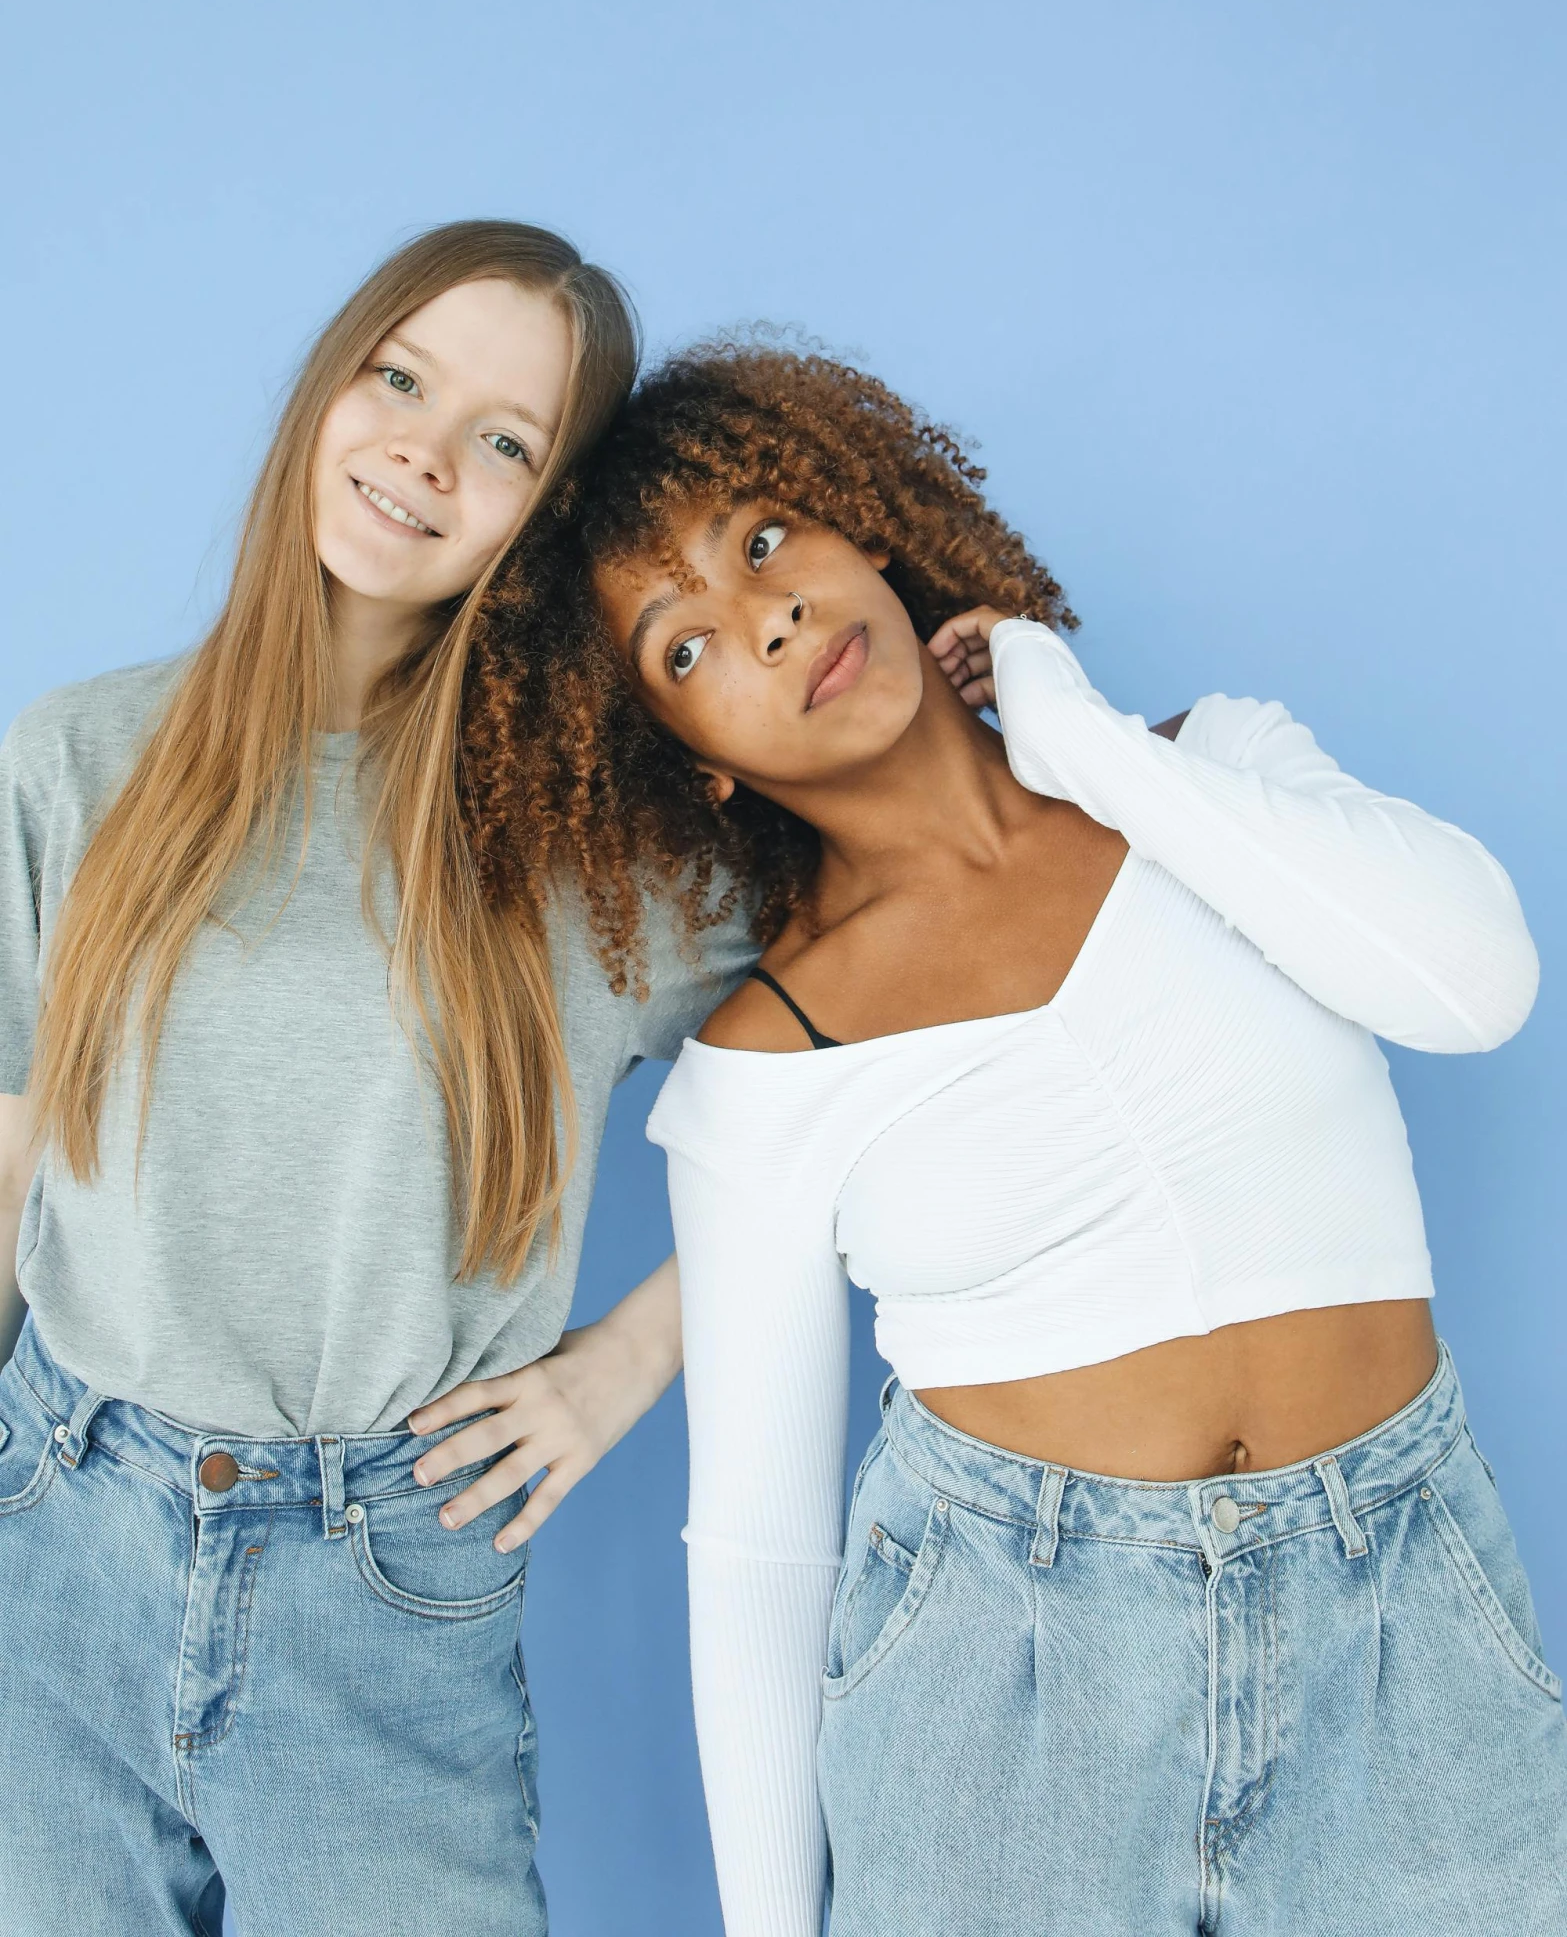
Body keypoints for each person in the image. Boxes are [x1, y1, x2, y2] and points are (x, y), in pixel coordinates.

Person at [494, 337, 1567, 1936]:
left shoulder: (1214, 771)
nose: (767, 615)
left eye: (768, 539)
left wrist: (1085, 744)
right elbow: (763, 1552)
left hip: (1400, 1623)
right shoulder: (762, 1065)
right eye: (687, 641)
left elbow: (1473, 985)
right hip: (1006, 1691)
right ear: (695, 760)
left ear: (866, 528)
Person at [0, 222, 755, 1937]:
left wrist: (621, 1366)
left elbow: (890, 1081)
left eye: (503, 438)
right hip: (54, 1531)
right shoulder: (77, 756)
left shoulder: (600, 854)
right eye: (399, 377)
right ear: (329, 387)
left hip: (385, 1590)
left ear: (548, 513)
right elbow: (14, 1149)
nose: (422, 447)